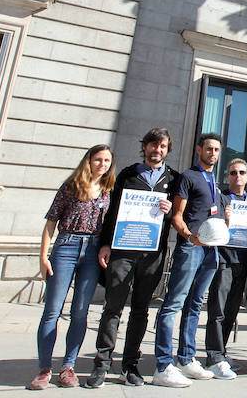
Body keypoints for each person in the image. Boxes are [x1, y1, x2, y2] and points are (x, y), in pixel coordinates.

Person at [86, 129, 178, 388]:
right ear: (145, 146)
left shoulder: (174, 179)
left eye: (162, 146)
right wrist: (105, 243)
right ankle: (101, 365)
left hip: (152, 254)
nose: (157, 150)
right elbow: (111, 212)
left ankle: (130, 365)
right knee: (113, 307)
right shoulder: (127, 175)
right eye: (152, 145)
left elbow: (181, 216)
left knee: (140, 310)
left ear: (167, 149)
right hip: (122, 251)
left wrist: (170, 212)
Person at [28, 145, 115, 390]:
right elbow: (51, 222)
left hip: (92, 250)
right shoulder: (71, 186)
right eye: (98, 159)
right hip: (66, 245)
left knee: (80, 311)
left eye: (107, 160)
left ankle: (69, 366)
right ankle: (44, 368)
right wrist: (43, 256)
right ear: (89, 161)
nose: (102, 164)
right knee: (52, 310)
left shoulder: (109, 191)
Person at [152, 133, 231, 388]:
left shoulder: (214, 182)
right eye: (209, 149)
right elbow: (177, 215)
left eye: (217, 150)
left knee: (196, 304)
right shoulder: (188, 177)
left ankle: (186, 358)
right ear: (199, 150)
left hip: (212, 251)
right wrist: (188, 237)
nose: (213, 153)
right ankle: (163, 365)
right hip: (191, 248)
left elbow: (217, 218)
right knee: (174, 303)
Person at [204, 159, 247, 380]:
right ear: (228, 176)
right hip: (223, 259)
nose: (237, 176)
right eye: (233, 172)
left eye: (241, 172)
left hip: (243, 261)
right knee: (217, 309)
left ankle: (221, 353)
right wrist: (226, 220)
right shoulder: (221, 197)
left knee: (232, 310)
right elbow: (211, 226)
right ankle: (213, 357)